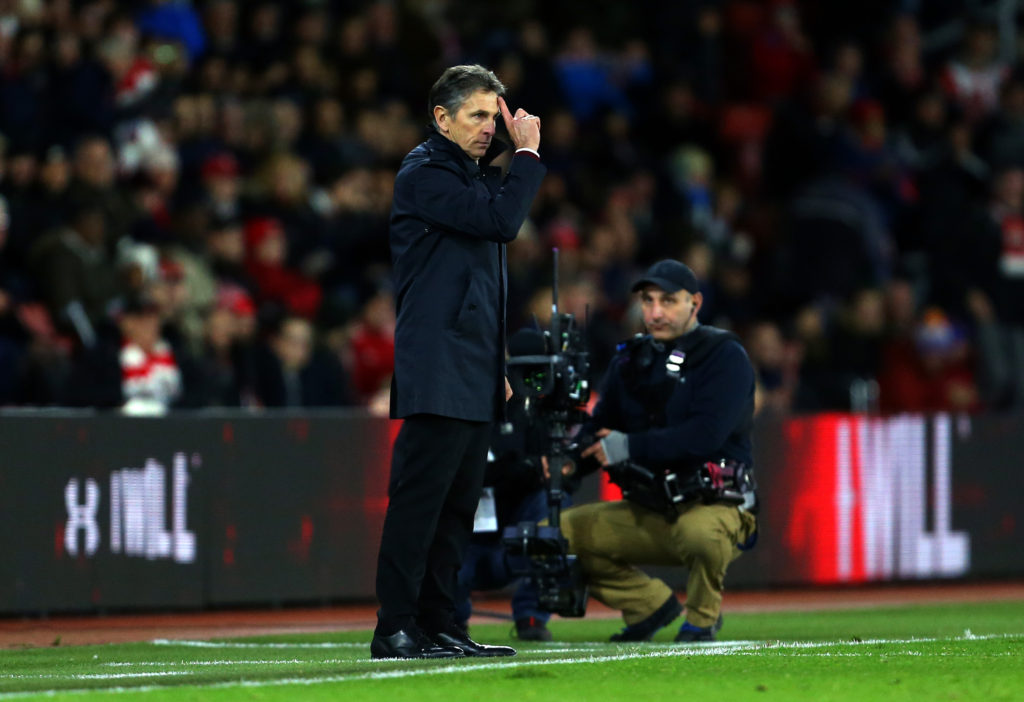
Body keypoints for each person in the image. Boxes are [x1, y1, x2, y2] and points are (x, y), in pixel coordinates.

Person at [371, 64, 546, 660]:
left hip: (471, 365)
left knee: (457, 510)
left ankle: (439, 623)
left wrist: (494, 363)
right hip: (438, 362)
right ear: (440, 118)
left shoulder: (465, 179)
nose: (485, 128)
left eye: (491, 117)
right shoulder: (424, 174)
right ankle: (394, 626)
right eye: (475, 115)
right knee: (421, 503)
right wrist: (525, 156)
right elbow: (503, 223)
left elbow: (475, 282)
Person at [557, 259, 758, 643]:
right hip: (651, 508)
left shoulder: (724, 356)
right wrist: (568, 463)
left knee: (699, 533)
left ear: (695, 303)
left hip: (714, 505)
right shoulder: (630, 359)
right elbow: (598, 425)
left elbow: (705, 436)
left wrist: (627, 445)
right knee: (558, 534)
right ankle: (649, 605)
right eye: (648, 301)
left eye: (668, 301)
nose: (655, 312)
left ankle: (701, 619)